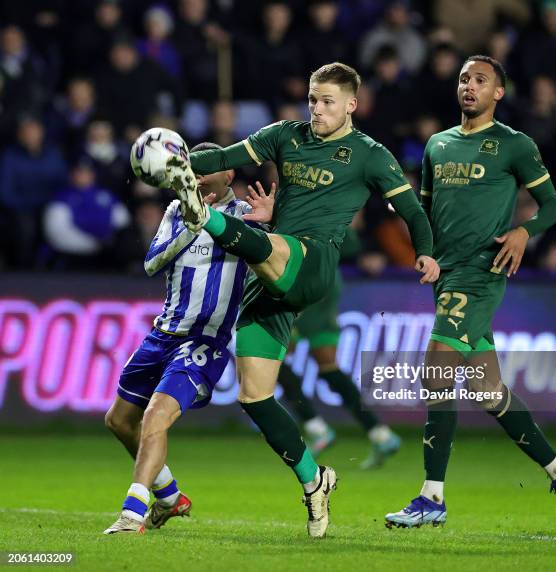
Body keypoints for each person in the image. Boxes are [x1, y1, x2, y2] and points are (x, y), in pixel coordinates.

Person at [165, 62, 439, 538]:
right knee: (255, 394)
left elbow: (412, 209)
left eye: (328, 101)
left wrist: (428, 254)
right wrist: (174, 161)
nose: (317, 109)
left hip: (312, 263)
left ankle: (202, 217)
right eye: (313, 99)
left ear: (352, 104)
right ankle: (315, 480)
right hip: (275, 269)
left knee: (270, 245)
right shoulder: (284, 136)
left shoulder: (369, 155)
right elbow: (220, 158)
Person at [384, 55, 556, 530]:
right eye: (463, 79)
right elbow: (426, 215)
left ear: (498, 93)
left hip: (482, 271)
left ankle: (432, 496)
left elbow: (555, 205)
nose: (469, 86)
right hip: (448, 275)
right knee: (486, 390)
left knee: (435, 372)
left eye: (480, 80)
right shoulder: (436, 146)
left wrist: (524, 232)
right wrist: (425, 252)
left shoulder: (513, 145)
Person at [103, 142, 265, 534]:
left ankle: (131, 514)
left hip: (204, 340)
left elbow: (277, 255)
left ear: (228, 175)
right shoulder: (176, 211)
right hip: (163, 333)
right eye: (192, 171)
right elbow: (151, 262)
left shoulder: (247, 216)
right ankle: (171, 498)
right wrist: (191, 228)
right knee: (120, 420)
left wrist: (274, 223)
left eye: (206, 170)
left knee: (156, 418)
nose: (197, 177)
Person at [277, 227, 402, 469]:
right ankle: (380, 433)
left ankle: (316, 428)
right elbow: (353, 243)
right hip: (328, 283)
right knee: (328, 367)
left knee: (274, 360)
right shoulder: (331, 207)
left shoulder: (294, 203)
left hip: (300, 285)